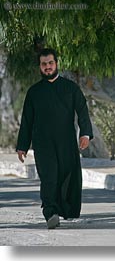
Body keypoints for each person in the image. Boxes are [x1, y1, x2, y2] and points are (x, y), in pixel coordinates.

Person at [16, 48, 93, 229]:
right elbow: (26, 121)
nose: (48, 67)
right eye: (44, 64)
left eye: (50, 63)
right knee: (49, 178)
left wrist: (85, 134)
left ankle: (62, 210)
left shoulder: (70, 88)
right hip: (43, 144)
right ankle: (50, 212)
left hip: (66, 142)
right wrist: (22, 146)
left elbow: (82, 111)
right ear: (40, 67)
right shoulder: (33, 92)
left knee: (66, 176)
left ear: (56, 64)